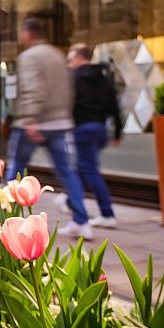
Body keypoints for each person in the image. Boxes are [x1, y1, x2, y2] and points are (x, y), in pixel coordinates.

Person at [4, 17, 91, 239]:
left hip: (35, 122)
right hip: (60, 123)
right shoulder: (58, 55)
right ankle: (82, 222)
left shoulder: (29, 57)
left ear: (27, 33)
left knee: (16, 165)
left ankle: (4, 211)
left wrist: (32, 119)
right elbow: (68, 90)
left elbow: (34, 89)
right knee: (67, 171)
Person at [67, 43, 122, 228]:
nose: (69, 63)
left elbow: (68, 104)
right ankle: (69, 201)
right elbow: (114, 105)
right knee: (83, 167)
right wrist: (117, 131)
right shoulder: (102, 77)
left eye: (71, 59)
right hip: (100, 129)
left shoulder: (75, 78)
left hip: (83, 129)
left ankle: (107, 214)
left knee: (88, 170)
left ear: (80, 58)